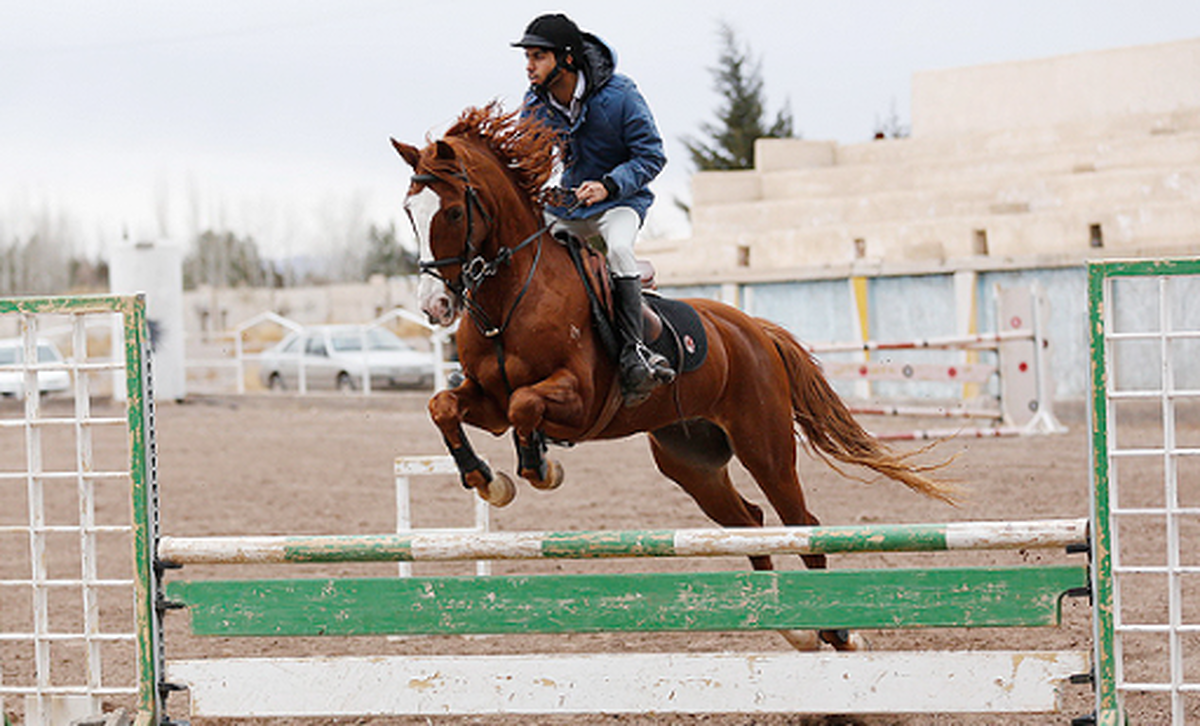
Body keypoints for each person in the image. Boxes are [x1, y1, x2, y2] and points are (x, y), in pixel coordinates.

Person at [512, 12, 675, 406]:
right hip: (571, 207)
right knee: (521, 246)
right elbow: (524, 158)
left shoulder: (620, 94)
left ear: (566, 60)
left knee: (619, 249)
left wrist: (608, 185)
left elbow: (652, 156)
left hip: (619, 204)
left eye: (538, 57)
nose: (529, 66)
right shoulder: (535, 102)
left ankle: (635, 351)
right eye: (528, 57)